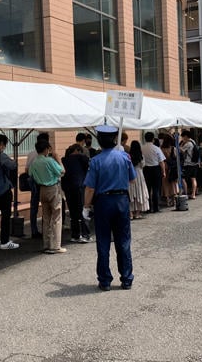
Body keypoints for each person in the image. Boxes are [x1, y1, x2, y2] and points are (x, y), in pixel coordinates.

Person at [83, 125, 137, 291]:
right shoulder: (125, 157)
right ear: (115, 140)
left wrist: (86, 206)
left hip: (103, 202)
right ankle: (126, 278)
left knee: (103, 241)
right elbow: (132, 179)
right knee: (123, 241)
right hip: (121, 200)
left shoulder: (95, 160)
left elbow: (90, 188)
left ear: (99, 140)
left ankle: (105, 280)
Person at [29, 139, 66, 254]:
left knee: (46, 218)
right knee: (56, 217)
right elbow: (62, 171)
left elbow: (30, 174)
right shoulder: (49, 160)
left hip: (42, 190)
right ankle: (55, 246)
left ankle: (46, 244)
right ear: (46, 149)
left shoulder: (34, 162)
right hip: (53, 188)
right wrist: (58, 160)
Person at [24, 132, 54, 239]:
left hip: (34, 182)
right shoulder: (48, 156)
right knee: (48, 206)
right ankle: (47, 230)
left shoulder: (31, 154)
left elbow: (27, 170)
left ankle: (34, 230)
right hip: (47, 184)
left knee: (34, 207)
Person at [62, 143, 92, 243]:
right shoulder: (81, 157)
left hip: (67, 188)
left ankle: (75, 235)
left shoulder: (64, 160)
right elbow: (89, 168)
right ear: (77, 150)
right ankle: (85, 234)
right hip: (79, 186)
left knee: (73, 211)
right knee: (81, 210)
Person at [141, 131, 166, 213]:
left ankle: (148, 207)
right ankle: (156, 207)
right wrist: (163, 171)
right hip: (155, 169)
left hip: (146, 169)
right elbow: (161, 161)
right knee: (156, 188)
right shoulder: (156, 148)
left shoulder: (142, 148)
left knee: (147, 188)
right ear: (153, 139)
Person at [128, 140, 150, 219]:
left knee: (131, 193)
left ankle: (131, 213)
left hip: (130, 174)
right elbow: (143, 165)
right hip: (139, 174)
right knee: (140, 192)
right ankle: (137, 213)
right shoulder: (141, 156)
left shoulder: (128, 156)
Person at [179, 130, 198, 198]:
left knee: (183, 178)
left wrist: (180, 146)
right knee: (193, 179)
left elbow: (182, 151)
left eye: (183, 137)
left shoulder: (188, 144)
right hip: (195, 163)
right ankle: (193, 194)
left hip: (188, 163)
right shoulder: (193, 141)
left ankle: (185, 193)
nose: (182, 138)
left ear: (186, 136)